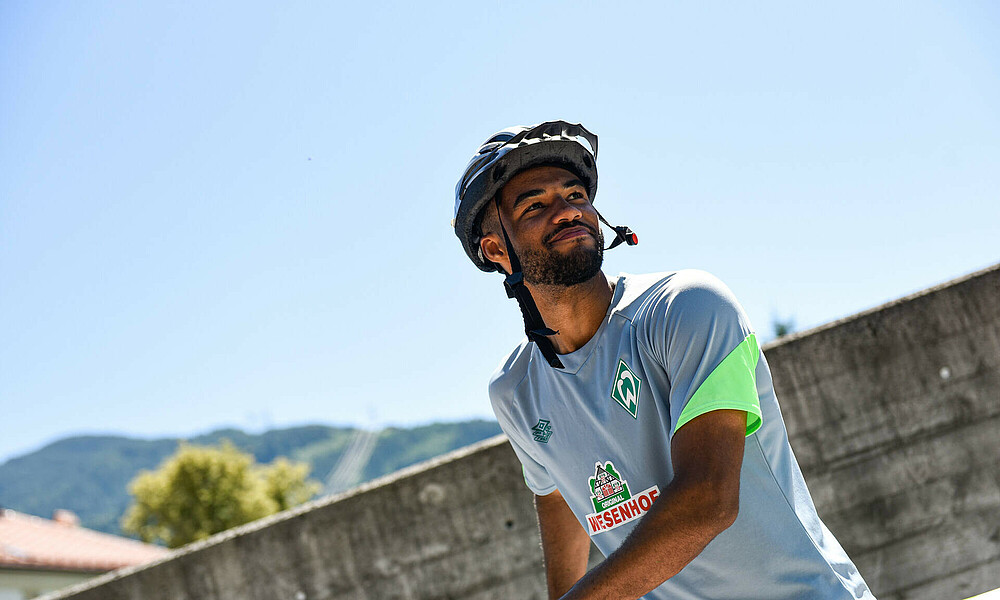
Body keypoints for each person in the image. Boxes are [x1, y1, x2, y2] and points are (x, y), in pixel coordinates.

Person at [452, 121, 877, 600]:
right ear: (494, 250)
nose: (568, 212)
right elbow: (559, 499)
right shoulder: (515, 392)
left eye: (575, 195)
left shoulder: (686, 307)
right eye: (536, 205)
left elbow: (709, 500)